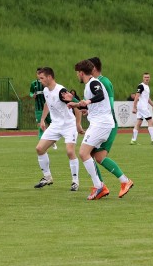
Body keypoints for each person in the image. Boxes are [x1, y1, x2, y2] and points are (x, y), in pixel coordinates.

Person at [66, 59, 133, 200]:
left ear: (82, 73)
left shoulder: (93, 83)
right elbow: (97, 103)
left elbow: (100, 96)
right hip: (101, 123)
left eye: (77, 73)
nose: (77, 76)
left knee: (83, 153)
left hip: (101, 124)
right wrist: (78, 105)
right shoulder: (90, 84)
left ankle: (99, 186)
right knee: (99, 157)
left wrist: (88, 102)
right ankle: (124, 181)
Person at [85, 56, 134, 197]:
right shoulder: (93, 83)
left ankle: (118, 182)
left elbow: (109, 104)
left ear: (93, 68)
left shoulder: (103, 82)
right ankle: (102, 186)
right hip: (101, 123)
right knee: (92, 155)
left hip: (108, 124)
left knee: (96, 156)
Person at [33, 67, 84, 191]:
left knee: (70, 152)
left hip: (68, 125)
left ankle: (75, 181)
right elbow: (47, 104)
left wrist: (78, 124)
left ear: (49, 77)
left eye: (42, 78)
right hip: (55, 125)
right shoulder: (46, 90)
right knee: (40, 149)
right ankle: (47, 177)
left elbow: (76, 106)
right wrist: (42, 119)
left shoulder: (61, 91)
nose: (40, 81)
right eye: (39, 78)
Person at [130, 72, 153, 145]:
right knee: (150, 121)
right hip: (142, 107)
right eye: (145, 77)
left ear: (150, 78)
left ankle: (133, 140)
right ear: (143, 78)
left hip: (141, 107)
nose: (147, 78)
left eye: (148, 77)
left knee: (138, 123)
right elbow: (136, 97)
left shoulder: (147, 87)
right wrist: (134, 107)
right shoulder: (141, 86)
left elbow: (147, 98)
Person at [29, 68, 56, 149]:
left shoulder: (47, 85)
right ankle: (42, 144)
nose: (39, 76)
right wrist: (32, 95)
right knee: (41, 126)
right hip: (39, 109)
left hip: (49, 109)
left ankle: (51, 140)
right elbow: (30, 92)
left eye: (41, 75)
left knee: (53, 124)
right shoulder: (34, 83)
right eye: (38, 74)